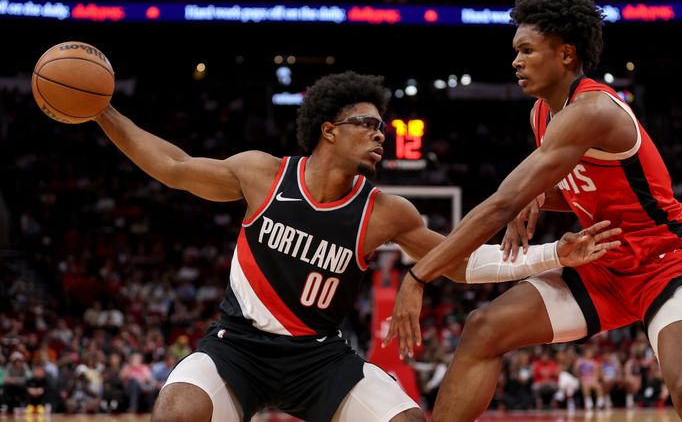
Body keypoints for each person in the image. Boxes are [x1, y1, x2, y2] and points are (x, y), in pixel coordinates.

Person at [83, 71, 620, 422]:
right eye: (367, 124)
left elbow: (459, 265)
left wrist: (553, 254)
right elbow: (173, 168)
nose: (380, 134)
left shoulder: (386, 211)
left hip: (319, 358)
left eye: (382, 127)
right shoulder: (261, 174)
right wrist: (103, 111)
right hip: (237, 348)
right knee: (176, 411)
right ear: (328, 130)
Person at [385, 0, 682, 422]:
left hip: (661, 265)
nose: (516, 61)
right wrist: (542, 198)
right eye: (515, 51)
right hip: (601, 267)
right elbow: (588, 189)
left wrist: (419, 275)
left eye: (526, 50)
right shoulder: (540, 114)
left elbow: (501, 203)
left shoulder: (593, 109)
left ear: (566, 54)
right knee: (483, 329)